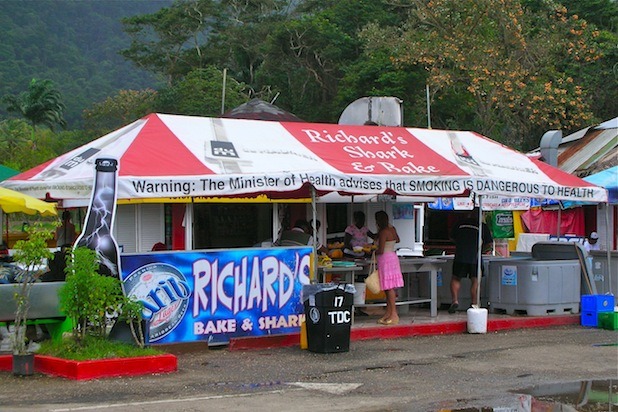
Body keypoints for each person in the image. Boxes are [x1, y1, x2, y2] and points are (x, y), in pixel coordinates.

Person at [449, 209, 493, 313]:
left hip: (460, 256)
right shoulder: (482, 226)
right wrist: (481, 249)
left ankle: (455, 301)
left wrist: (460, 244)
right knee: (475, 280)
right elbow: (489, 244)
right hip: (475, 257)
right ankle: (474, 303)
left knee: (456, 278)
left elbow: (451, 238)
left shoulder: (459, 224)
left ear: (469, 214)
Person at [374, 211, 403, 325]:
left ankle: (394, 314)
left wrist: (372, 251)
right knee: (387, 287)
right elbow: (398, 240)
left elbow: (380, 250)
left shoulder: (383, 232)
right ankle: (388, 313)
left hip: (385, 259)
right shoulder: (392, 229)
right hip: (393, 257)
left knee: (389, 288)